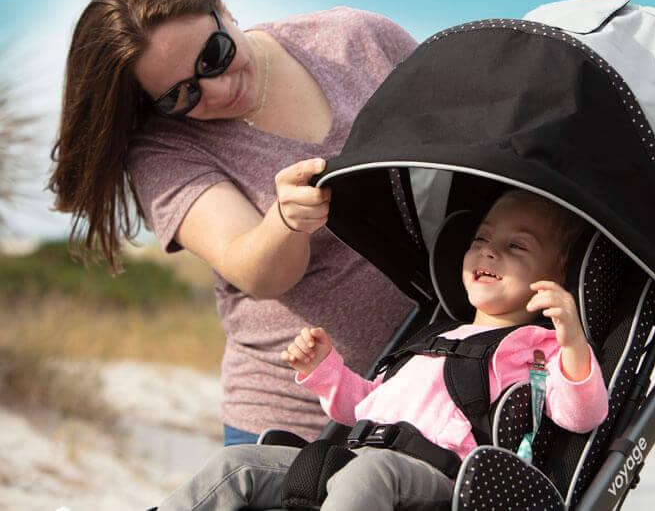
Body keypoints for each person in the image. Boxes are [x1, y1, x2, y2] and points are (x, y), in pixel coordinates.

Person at [48, 0, 417, 445]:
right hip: (298, 426)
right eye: (181, 96)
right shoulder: (163, 148)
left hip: (440, 390)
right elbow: (256, 271)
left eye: (214, 55)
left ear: (220, 5)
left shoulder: (356, 38)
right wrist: (285, 221)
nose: (218, 90)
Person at [155, 189, 609, 510]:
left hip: (435, 481)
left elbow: (580, 414)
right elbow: (365, 406)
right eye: (481, 240)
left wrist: (572, 341)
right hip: (357, 456)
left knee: (369, 476)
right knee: (238, 465)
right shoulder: (433, 339)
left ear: (557, 275)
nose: (489, 253)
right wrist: (326, 370)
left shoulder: (534, 349)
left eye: (516, 246)